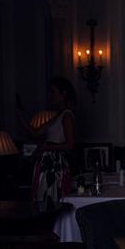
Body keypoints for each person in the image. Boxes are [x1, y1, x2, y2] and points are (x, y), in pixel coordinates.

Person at [18, 77, 76, 205]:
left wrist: (46, 148)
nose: (50, 96)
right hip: (47, 162)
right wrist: (20, 114)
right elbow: (35, 132)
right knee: (42, 196)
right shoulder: (57, 116)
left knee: (50, 198)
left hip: (54, 163)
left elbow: (70, 145)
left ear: (63, 94)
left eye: (52, 92)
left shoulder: (67, 116)